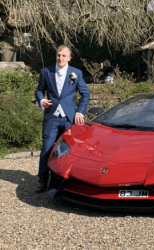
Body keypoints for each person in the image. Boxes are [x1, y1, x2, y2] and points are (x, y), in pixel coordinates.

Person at [34, 44, 90, 193]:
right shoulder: (46, 72)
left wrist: (80, 112)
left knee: (68, 150)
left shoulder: (76, 73)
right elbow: (39, 91)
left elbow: (86, 94)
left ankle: (63, 182)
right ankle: (42, 181)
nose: (60, 58)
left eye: (64, 56)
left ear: (69, 58)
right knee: (47, 148)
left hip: (69, 118)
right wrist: (41, 101)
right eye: (59, 55)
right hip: (51, 117)